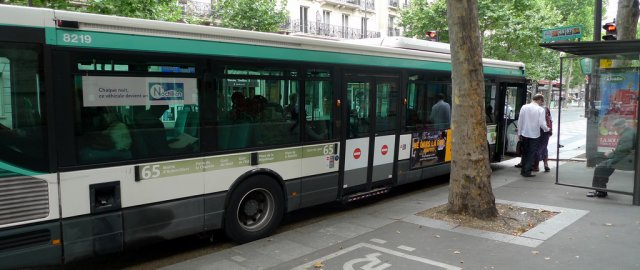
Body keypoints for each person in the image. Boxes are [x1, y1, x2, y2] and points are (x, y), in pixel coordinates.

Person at [587, 118, 636, 198]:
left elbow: (622, 151)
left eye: (616, 129)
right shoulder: (628, 132)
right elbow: (622, 149)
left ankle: (601, 191)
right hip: (625, 157)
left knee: (600, 168)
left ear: (620, 127)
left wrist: (610, 154)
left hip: (625, 159)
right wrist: (612, 153)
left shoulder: (627, 136)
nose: (615, 131)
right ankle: (599, 189)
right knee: (602, 166)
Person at [517, 94, 550, 177]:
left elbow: (520, 121)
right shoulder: (540, 110)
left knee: (525, 152)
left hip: (524, 133)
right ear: (539, 100)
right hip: (535, 134)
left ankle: (523, 170)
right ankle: (527, 171)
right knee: (531, 153)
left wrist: (519, 133)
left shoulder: (524, 107)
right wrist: (547, 129)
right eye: (541, 102)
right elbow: (542, 123)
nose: (541, 104)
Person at [533, 105, 553, 172]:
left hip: (539, 130)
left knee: (537, 148)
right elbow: (550, 120)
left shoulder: (536, 109)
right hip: (546, 131)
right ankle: (545, 164)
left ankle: (536, 166)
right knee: (544, 147)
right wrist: (550, 130)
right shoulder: (546, 108)